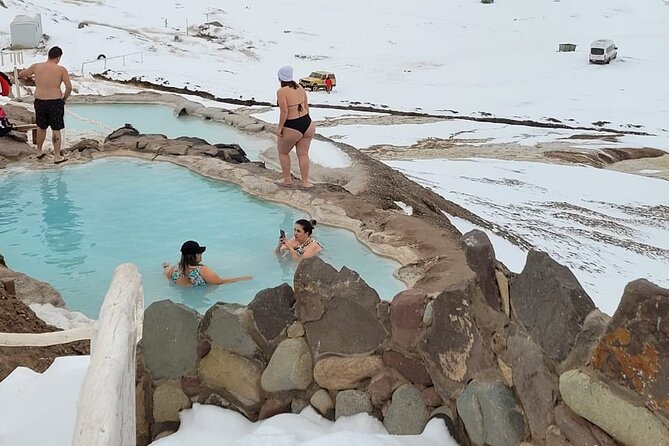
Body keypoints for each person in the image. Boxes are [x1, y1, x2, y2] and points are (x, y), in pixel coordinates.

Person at [18, 46, 72, 164]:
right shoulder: (61, 69)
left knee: (41, 127)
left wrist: (29, 76)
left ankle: (38, 151)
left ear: (48, 55)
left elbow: (21, 74)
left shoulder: (36, 66)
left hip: (40, 101)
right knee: (56, 128)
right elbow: (69, 87)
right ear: (58, 57)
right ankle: (57, 156)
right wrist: (64, 99)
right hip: (55, 101)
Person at [275, 65, 316, 189]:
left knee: (283, 152)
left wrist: (280, 128)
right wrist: (305, 121)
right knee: (303, 154)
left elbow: (284, 112)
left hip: (292, 124)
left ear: (280, 78)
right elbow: (306, 106)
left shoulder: (281, 92)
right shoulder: (300, 87)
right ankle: (305, 182)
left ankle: (287, 180)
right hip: (307, 123)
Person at [163, 240, 253, 287]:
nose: (201, 254)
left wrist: (166, 266)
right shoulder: (201, 270)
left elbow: (167, 274)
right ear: (193, 255)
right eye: (199, 253)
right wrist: (243, 278)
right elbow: (220, 282)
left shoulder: (176, 268)